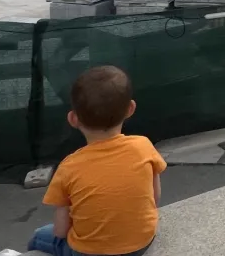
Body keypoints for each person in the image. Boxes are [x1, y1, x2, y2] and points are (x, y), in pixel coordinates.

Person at [28, 66, 166, 256]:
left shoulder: (69, 167)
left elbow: (60, 231)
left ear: (73, 119)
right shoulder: (144, 147)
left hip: (88, 253)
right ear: (130, 109)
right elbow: (155, 198)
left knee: (39, 235)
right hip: (141, 244)